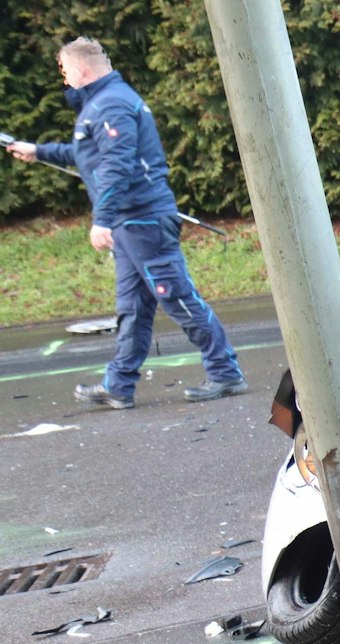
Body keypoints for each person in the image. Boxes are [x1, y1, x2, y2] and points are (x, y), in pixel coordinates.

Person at [5, 37, 244, 409]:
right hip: (130, 224)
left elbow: (119, 167)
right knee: (132, 308)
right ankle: (119, 385)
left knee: (177, 298)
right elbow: (87, 153)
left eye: (65, 71)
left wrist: (101, 220)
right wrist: (38, 151)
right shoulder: (104, 103)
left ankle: (225, 372)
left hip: (143, 221)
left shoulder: (111, 104)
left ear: (81, 70)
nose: (64, 79)